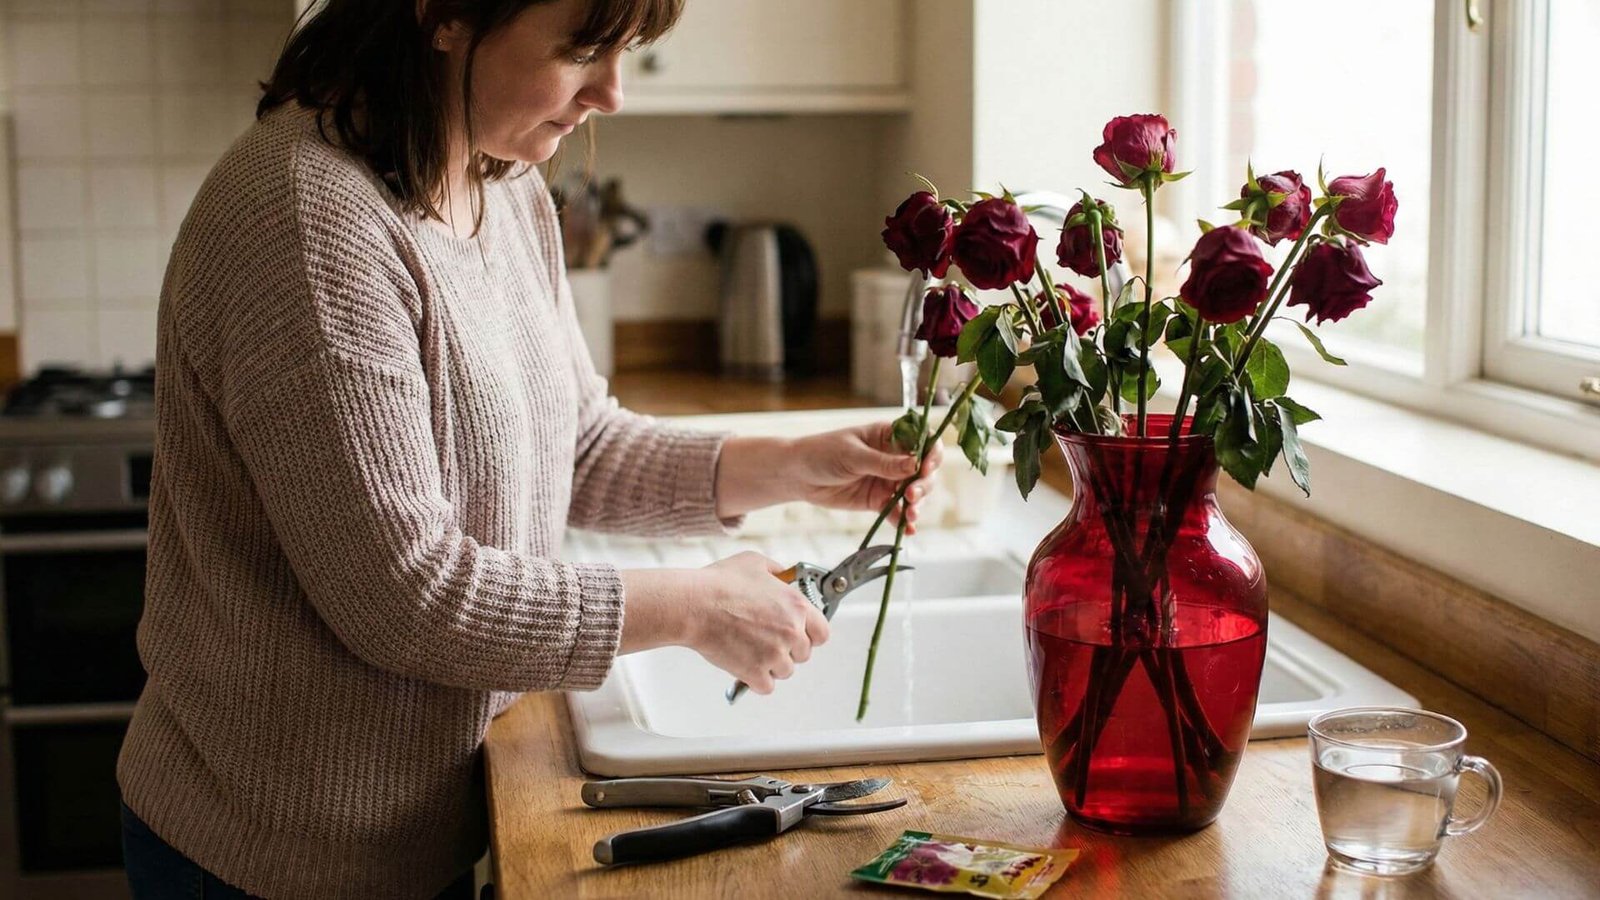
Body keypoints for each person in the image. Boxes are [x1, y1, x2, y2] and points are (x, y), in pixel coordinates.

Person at [114, 0, 943, 897]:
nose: (613, 93)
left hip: (417, 825)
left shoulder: (499, 185)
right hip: (270, 852)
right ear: (440, 14)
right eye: (584, 49)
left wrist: (798, 465)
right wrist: (696, 607)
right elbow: (405, 594)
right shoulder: (308, 218)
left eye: (626, 51)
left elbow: (576, 446)